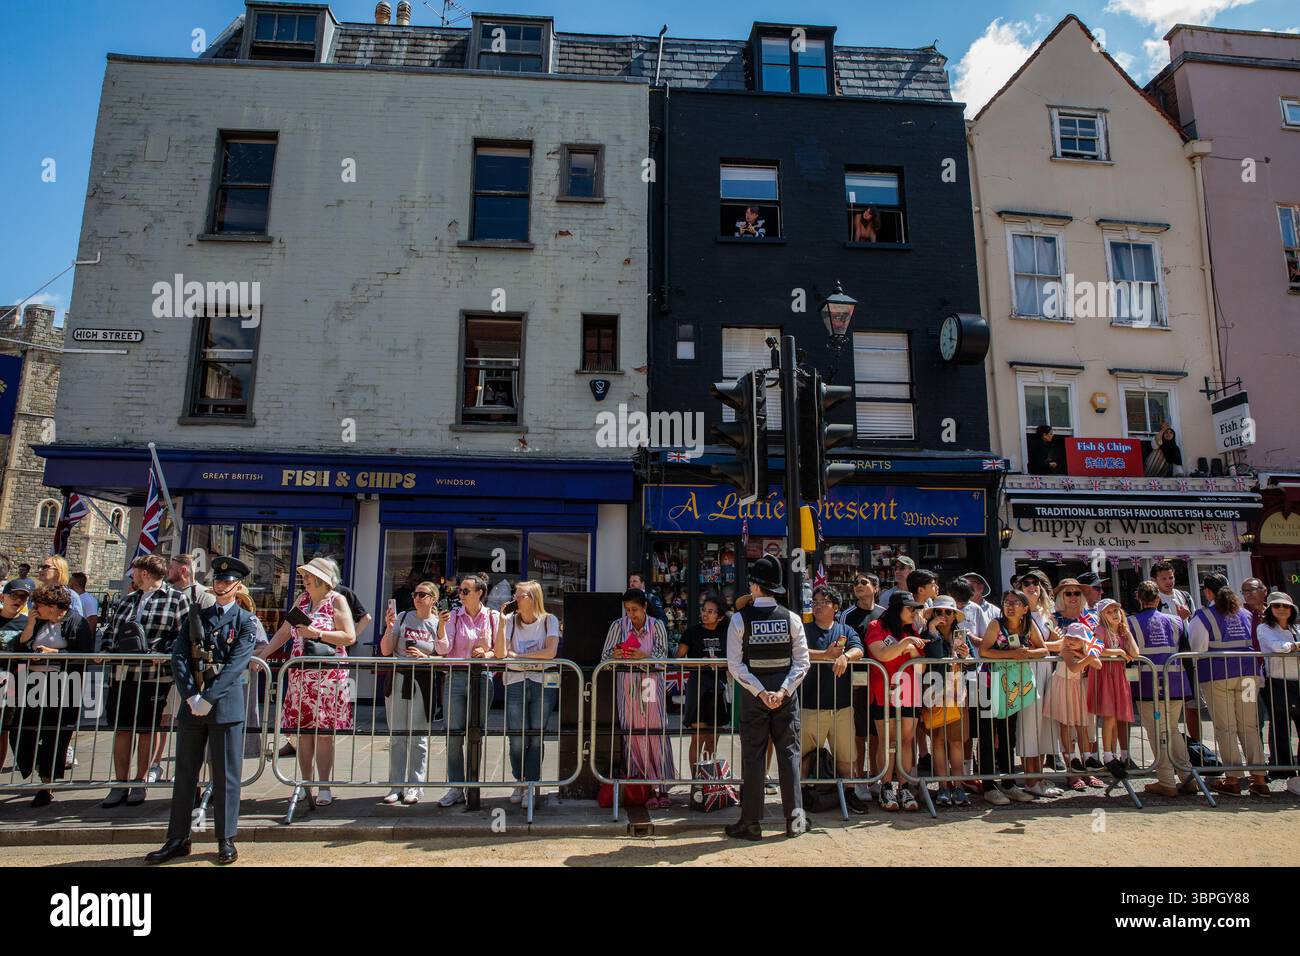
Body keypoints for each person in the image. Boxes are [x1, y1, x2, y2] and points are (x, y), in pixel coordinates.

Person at [145, 556, 258, 865]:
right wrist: (191, 695)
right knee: (185, 775)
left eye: (226, 581)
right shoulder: (196, 615)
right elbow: (179, 657)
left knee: (225, 776)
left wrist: (209, 696)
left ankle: (226, 838)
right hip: (194, 705)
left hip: (225, 705)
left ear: (237, 585)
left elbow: (236, 665)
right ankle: (178, 838)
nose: (220, 585)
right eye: (217, 581)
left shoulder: (245, 621)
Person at [257, 556, 356, 807]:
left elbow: (349, 636)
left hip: (328, 678)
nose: (305, 578)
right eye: (305, 575)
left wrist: (318, 634)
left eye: (309, 575)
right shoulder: (301, 601)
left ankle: (323, 785)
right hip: (300, 677)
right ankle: (305, 782)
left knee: (324, 734)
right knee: (302, 734)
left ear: (323, 579)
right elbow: (283, 632)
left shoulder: (337, 600)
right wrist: (264, 653)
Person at [724, 555, 808, 840]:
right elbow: (802, 663)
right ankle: (795, 820)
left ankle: (750, 823)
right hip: (785, 697)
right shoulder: (792, 619)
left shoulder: (739, 619)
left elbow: (735, 665)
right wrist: (783, 691)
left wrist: (761, 692)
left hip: (754, 698)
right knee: (789, 755)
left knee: (753, 758)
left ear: (755, 586)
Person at [100, 554, 192, 809]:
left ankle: (140, 781)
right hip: (123, 674)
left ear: (144, 573)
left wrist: (164, 655)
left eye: (135, 571)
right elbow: (111, 631)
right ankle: (120, 784)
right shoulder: (128, 600)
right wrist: (106, 651)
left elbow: (185, 634)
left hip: (153, 676)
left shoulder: (176, 599)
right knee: (122, 728)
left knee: (146, 730)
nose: (132, 575)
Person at [9, 584, 93, 807]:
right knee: (20, 731)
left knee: (54, 736)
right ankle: (36, 766)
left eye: (40, 605)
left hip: (63, 685)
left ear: (54, 607)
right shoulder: (36, 621)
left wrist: (55, 653)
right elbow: (20, 646)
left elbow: (84, 653)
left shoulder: (77, 621)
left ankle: (46, 785)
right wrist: (30, 624)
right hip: (31, 683)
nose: (36, 608)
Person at [1188, 576, 1269, 796]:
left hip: (1218, 675)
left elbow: (1198, 647)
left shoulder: (1203, 616)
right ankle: (1260, 778)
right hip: (1249, 674)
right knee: (1249, 725)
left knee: (1226, 727)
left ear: (1208, 592)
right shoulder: (1245, 614)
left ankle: (1233, 778)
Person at [149, 554, 219, 782]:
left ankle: (188, 772)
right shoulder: (165, 595)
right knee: (162, 717)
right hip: (168, 668)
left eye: (172, 566)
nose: (168, 570)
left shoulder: (203, 596)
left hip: (192, 671)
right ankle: (155, 764)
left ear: (184, 570)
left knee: (188, 720)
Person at [601, 589, 674, 808]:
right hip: (627, 685)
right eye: (627, 610)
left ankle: (662, 786)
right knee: (633, 733)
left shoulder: (656, 626)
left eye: (634, 609)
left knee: (655, 731)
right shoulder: (617, 626)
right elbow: (604, 657)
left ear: (644, 607)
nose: (631, 614)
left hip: (650, 683)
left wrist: (643, 656)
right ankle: (644, 786)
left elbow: (663, 659)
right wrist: (616, 654)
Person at [378, 579, 446, 805]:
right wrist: (389, 628)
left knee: (418, 736)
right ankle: (395, 785)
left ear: (433, 599)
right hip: (398, 678)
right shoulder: (403, 617)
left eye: (423, 594)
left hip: (422, 681)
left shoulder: (437, 624)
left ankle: (415, 786)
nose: (417, 597)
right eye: (416, 593)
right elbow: (386, 650)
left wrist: (426, 658)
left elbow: (444, 655)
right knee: (397, 735)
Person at [1128, 580, 1196, 797]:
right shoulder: (1176, 621)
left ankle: (1166, 781)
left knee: (1157, 731)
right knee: (1173, 729)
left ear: (1138, 598)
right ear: (1158, 599)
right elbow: (1185, 648)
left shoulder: (1131, 623)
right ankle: (1187, 777)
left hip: (1147, 684)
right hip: (1175, 682)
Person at [495, 580, 561, 804]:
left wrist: (519, 657)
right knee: (515, 736)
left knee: (535, 735)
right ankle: (520, 780)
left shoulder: (549, 620)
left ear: (533, 598)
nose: (515, 598)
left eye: (520, 595)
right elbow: (501, 654)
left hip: (541, 682)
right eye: (516, 594)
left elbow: (550, 652)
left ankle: (531, 784)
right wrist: (502, 625)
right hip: (514, 681)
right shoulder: (511, 621)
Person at [978, 589, 1046, 805]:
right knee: (988, 735)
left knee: (1008, 735)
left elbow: (1043, 649)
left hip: (1013, 686)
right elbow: (984, 651)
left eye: (1016, 602)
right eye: (1007, 602)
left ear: (1025, 608)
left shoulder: (1028, 625)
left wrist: (1026, 653)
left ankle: (1009, 783)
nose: (1010, 606)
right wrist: (1011, 654)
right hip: (990, 684)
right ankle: (989, 785)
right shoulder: (996, 624)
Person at [437, 573, 498, 808]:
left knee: (476, 734)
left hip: (482, 676)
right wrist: (441, 626)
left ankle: (472, 785)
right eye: (460, 590)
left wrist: (486, 654)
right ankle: (455, 787)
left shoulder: (491, 617)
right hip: (456, 676)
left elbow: (497, 650)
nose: (460, 594)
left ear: (479, 593)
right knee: (453, 734)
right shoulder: (453, 616)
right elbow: (443, 649)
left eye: (465, 591)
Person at [864, 593, 928, 811]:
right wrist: (906, 645)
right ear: (897, 608)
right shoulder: (877, 626)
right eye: (910, 608)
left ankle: (904, 786)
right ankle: (885, 785)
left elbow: (921, 667)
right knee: (887, 739)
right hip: (882, 689)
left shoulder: (913, 631)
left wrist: (908, 646)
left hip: (908, 689)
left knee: (906, 739)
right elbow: (881, 654)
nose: (914, 613)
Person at [800, 586, 863, 798]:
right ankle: (802, 794)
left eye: (823, 602)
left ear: (835, 607)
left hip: (841, 705)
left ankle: (849, 794)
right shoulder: (804, 629)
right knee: (805, 755)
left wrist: (846, 657)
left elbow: (858, 649)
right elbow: (798, 652)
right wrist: (826, 654)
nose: (817, 605)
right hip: (810, 703)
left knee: (846, 754)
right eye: (815, 602)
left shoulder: (845, 630)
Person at [920, 596, 973, 807]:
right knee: (939, 741)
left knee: (957, 741)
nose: (944, 616)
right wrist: (933, 632)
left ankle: (958, 786)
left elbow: (970, 665)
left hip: (957, 693)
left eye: (948, 612)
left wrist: (966, 657)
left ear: (954, 616)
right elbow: (932, 657)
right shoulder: (927, 635)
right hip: (934, 693)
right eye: (939, 612)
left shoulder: (961, 635)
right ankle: (943, 787)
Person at [839, 572, 884, 802]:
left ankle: (875, 779)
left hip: (879, 679)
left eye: (864, 583)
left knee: (876, 732)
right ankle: (858, 780)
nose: (858, 586)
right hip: (855, 681)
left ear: (876, 588)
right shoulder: (846, 615)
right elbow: (841, 643)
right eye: (855, 583)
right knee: (858, 732)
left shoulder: (883, 614)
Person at [676, 593, 730, 777]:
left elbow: (734, 659)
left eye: (711, 611)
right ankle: (695, 781)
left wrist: (723, 663)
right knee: (697, 736)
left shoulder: (727, 632)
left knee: (713, 738)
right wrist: (704, 662)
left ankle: (708, 779)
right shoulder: (692, 632)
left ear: (720, 615)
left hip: (718, 686)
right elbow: (679, 659)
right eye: (704, 610)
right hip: (697, 685)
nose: (705, 614)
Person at [1053, 578, 1104, 774]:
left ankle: (1088, 766)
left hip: (1087, 677)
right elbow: (1051, 645)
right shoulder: (1053, 618)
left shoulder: (1092, 617)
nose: (1073, 597)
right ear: (1060, 597)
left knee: (1086, 723)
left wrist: (1090, 653)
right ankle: (1072, 771)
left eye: (1076, 593)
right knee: (1067, 722)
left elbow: (1100, 642)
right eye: (1068, 593)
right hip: (1063, 675)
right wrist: (1082, 653)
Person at [1088, 599, 1139, 779]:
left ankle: (1120, 753)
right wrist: (1117, 652)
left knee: (1119, 715)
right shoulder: (1101, 630)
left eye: (1117, 610)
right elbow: (1095, 649)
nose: (1115, 614)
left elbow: (1135, 652)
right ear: (1102, 615)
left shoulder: (1122, 632)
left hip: (1119, 676)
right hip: (1106, 676)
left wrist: (1128, 634)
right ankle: (1108, 754)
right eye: (1110, 612)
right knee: (1109, 716)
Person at [1050, 625, 1103, 791]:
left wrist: (1085, 654)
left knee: (1083, 727)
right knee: (1066, 726)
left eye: (1077, 638)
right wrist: (1089, 656)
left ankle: (1087, 766)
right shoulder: (1065, 649)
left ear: (1083, 641)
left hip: (1079, 688)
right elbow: (1074, 667)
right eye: (1070, 637)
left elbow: (1099, 665)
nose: (1072, 641)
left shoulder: (1083, 650)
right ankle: (1072, 769)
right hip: (1063, 687)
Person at [1257, 592, 1300, 796]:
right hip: (1277, 682)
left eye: (1285, 606)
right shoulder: (1264, 628)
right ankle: (1286, 772)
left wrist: (1293, 646)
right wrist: (1294, 647)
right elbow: (1276, 648)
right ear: (1270, 610)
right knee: (1280, 726)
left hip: (1297, 682)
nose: (1282, 610)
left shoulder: (1296, 628)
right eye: (1277, 606)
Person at [0, 577, 33, 773]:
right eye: (14, 595)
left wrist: (31, 624)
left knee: (3, 732)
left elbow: (27, 647)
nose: (18, 600)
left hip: (11, 686)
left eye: (23, 597)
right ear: (3, 597)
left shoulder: (27, 622)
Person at [233, 584, 269, 759]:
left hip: (242, 675)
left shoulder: (252, 621)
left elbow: (262, 647)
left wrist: (240, 656)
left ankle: (247, 747)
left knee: (244, 709)